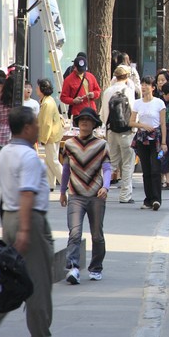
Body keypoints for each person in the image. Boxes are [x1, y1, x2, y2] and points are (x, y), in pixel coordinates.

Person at [0, 106, 72, 337]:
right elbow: (27, 193)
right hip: (28, 219)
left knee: (8, 281)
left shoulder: (5, 153)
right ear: (27, 128)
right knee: (38, 284)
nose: (39, 128)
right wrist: (25, 230)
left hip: (10, 216)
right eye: (37, 124)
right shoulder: (28, 157)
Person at [60, 111, 111, 284]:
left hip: (96, 195)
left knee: (97, 235)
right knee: (74, 233)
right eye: (82, 119)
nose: (84, 122)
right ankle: (73, 268)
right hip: (75, 194)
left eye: (89, 120)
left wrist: (105, 187)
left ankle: (96, 267)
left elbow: (107, 168)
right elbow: (66, 169)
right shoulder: (69, 144)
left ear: (94, 124)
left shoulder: (101, 145)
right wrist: (62, 192)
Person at [130, 75, 167, 211]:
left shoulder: (159, 103)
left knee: (155, 169)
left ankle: (156, 199)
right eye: (142, 84)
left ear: (153, 88)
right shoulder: (137, 103)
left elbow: (163, 123)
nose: (144, 87)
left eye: (147, 85)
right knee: (146, 170)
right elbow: (131, 122)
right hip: (142, 139)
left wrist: (164, 142)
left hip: (156, 139)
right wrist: (143, 125)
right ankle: (148, 199)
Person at [101, 66, 138, 203]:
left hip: (111, 131)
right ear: (127, 76)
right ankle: (125, 195)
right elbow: (133, 111)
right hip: (127, 131)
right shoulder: (128, 91)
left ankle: (101, 189)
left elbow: (103, 114)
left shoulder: (107, 91)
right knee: (127, 163)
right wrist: (134, 129)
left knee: (111, 163)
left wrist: (106, 129)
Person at [36, 78, 63, 188]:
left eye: (38, 87)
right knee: (49, 161)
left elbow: (47, 124)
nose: (36, 89)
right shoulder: (48, 100)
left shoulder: (47, 103)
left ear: (42, 89)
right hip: (53, 135)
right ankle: (50, 184)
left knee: (53, 161)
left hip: (50, 136)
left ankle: (66, 182)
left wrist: (43, 139)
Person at [60, 53, 101, 117]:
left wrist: (94, 94)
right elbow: (63, 97)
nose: (81, 72)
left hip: (91, 111)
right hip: (78, 113)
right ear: (75, 67)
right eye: (79, 70)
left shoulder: (90, 76)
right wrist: (73, 101)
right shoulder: (68, 80)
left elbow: (98, 90)